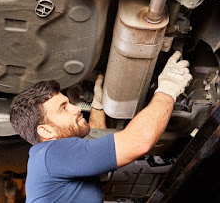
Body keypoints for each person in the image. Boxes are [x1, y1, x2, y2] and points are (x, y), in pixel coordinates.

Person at [10, 51, 192, 202]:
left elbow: (96, 141)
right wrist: (168, 89)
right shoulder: (52, 154)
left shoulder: (48, 159)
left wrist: (97, 105)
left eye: (68, 102)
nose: (75, 108)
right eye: (63, 108)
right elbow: (138, 142)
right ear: (46, 130)